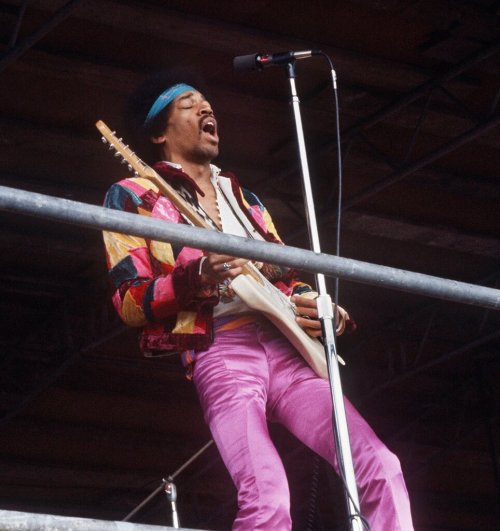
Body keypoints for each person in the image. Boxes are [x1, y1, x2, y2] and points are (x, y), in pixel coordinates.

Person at [102, 70, 414, 530]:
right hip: (223, 352)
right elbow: (128, 301)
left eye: (207, 102)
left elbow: (284, 281)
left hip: (287, 348)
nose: (207, 109)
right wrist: (196, 277)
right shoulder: (134, 196)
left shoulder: (245, 199)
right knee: (267, 497)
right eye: (189, 104)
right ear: (157, 131)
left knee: (381, 467)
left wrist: (322, 309)